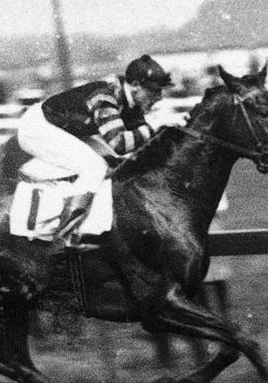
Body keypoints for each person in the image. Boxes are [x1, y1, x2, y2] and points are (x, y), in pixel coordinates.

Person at [13, 54, 171, 247]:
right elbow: (119, 143)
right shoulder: (105, 97)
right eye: (154, 91)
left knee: (111, 162)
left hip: (63, 126)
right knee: (94, 167)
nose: (159, 97)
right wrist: (153, 128)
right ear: (136, 85)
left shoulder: (131, 103)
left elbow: (140, 146)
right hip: (38, 127)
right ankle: (65, 237)